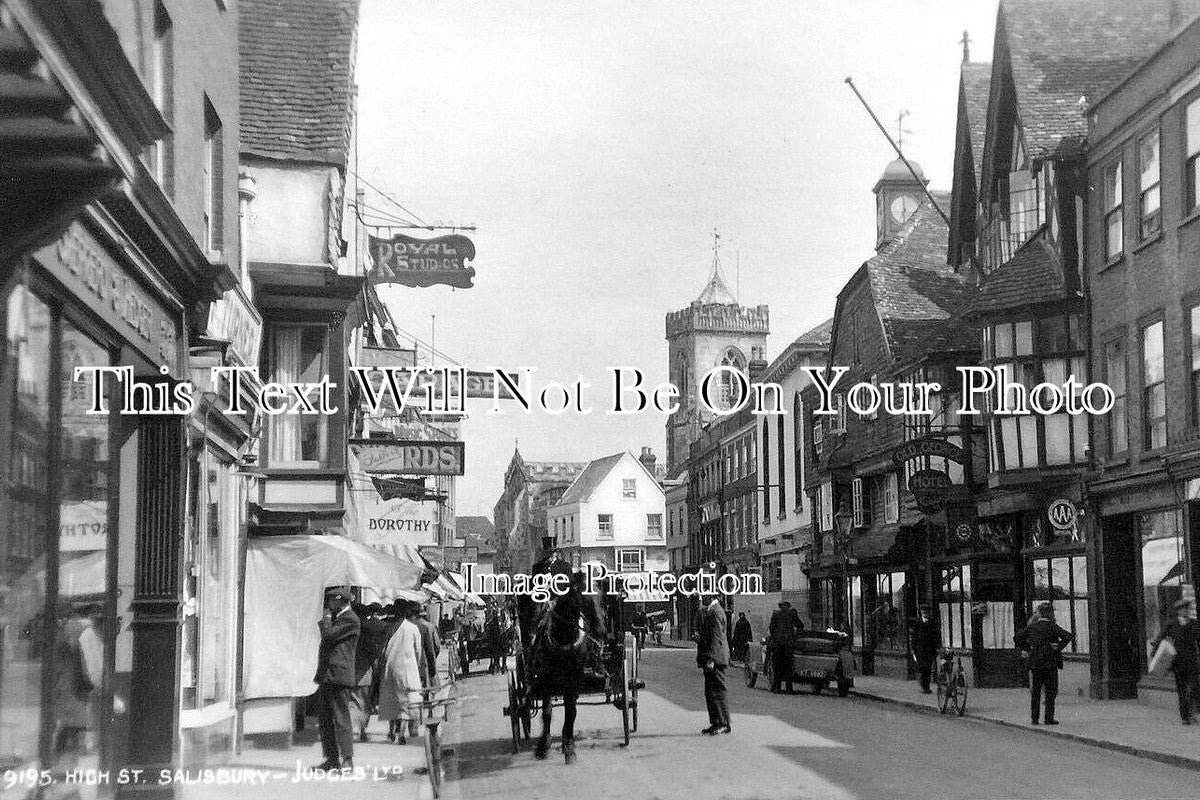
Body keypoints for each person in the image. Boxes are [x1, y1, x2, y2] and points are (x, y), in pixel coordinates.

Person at [532, 567, 604, 765]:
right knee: (538, 629)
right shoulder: (540, 570)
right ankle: (534, 658)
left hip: (567, 606)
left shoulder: (566, 571)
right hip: (550, 605)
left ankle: (568, 740)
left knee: (588, 616)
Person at [315, 586, 360, 770]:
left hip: (339, 676)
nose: (328, 604)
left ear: (340, 600)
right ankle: (331, 758)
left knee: (341, 718)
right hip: (328, 675)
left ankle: (347, 759)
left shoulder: (350, 620)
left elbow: (329, 635)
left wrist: (325, 618)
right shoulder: (339, 619)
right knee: (325, 718)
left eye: (331, 601)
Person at [1014, 601, 1073, 725]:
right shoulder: (1052, 626)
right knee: (1050, 691)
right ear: (1050, 614)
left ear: (1040, 614)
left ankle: (1034, 718)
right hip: (1050, 663)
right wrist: (1058, 647)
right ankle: (1048, 718)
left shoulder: (1032, 627)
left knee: (1036, 691)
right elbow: (1068, 636)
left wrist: (1028, 648)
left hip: (1035, 663)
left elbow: (1017, 638)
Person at [378, 600, 425, 745]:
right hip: (407, 669)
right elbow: (418, 651)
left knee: (392, 700)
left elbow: (382, 651)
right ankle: (402, 731)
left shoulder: (388, 628)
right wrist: (417, 668)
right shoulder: (412, 628)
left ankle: (391, 730)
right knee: (407, 701)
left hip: (389, 668)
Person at [1153, 598, 1200, 724]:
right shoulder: (1172, 624)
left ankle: (1191, 711)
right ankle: (1185, 717)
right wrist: (1155, 653)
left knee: (1195, 688)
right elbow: (1160, 638)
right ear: (1179, 611)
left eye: (1188, 608)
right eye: (1184, 609)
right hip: (1178, 663)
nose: (1186, 611)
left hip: (1192, 661)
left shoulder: (1194, 624)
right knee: (1182, 689)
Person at [349, 603, 388, 743]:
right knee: (363, 703)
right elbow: (374, 653)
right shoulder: (367, 631)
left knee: (353, 703)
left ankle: (356, 729)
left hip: (349, 672)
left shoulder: (349, 629)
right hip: (364, 674)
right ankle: (359, 730)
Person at [697, 594, 731, 735]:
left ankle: (723, 723)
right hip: (712, 657)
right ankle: (716, 722)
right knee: (711, 692)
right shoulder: (712, 611)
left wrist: (711, 658)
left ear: (710, 596)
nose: (701, 598)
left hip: (715, 658)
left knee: (717, 691)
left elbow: (716, 637)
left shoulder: (716, 612)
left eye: (703, 595)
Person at [768, 601, 798, 693]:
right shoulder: (791, 615)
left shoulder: (776, 615)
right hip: (788, 645)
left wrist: (775, 637)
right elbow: (800, 625)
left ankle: (777, 687)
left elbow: (771, 628)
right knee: (788, 667)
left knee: (777, 667)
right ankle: (789, 688)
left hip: (778, 645)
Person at [909, 605, 939, 694]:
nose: (925, 613)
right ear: (921, 612)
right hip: (920, 650)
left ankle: (927, 687)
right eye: (923, 611)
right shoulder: (917, 622)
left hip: (930, 650)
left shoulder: (932, 622)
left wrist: (937, 647)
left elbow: (936, 635)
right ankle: (923, 686)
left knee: (928, 669)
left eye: (927, 612)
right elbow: (913, 637)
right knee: (922, 668)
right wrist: (913, 649)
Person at [416, 605, 442, 691]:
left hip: (414, 663)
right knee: (427, 688)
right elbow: (437, 646)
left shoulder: (409, 626)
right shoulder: (430, 626)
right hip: (426, 661)